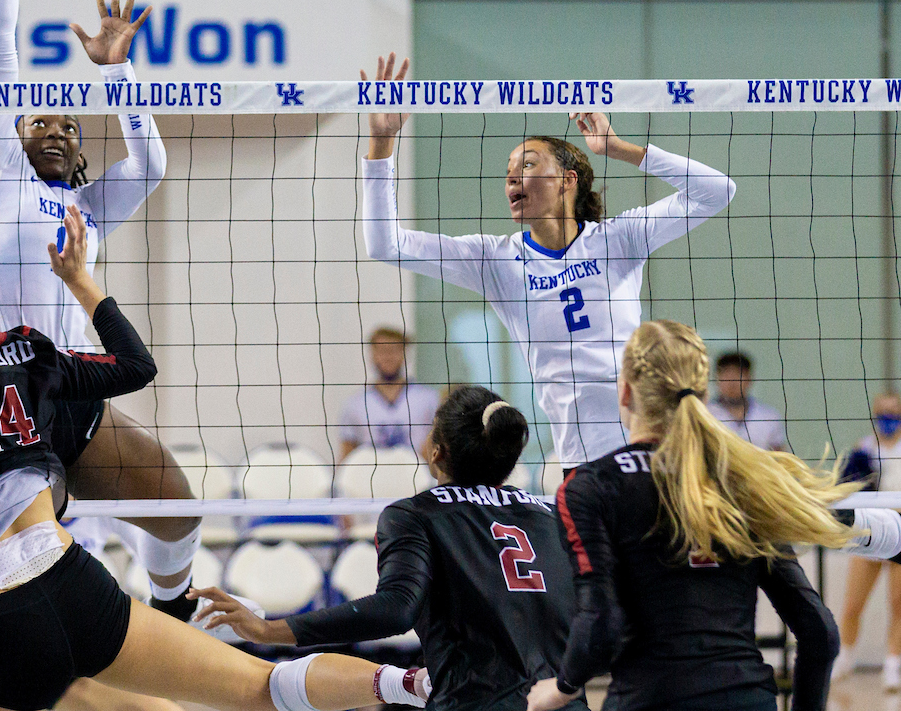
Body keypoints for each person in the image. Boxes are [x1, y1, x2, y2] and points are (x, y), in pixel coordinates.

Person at [0, 166, 429, 711]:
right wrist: (79, 280)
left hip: (0, 619)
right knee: (260, 687)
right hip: (73, 583)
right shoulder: (28, 353)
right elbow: (136, 368)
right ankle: (404, 683)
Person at [0, 0, 203, 622]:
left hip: (76, 389)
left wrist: (119, 71)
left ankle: (172, 620)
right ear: (14, 134)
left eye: (71, 124)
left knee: (178, 512)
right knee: (37, 566)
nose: (60, 129)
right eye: (42, 122)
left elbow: (153, 163)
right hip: (5, 398)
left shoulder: (87, 208)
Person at [360, 54, 736, 471]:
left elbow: (717, 191)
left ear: (567, 181)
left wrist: (618, 148)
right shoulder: (496, 260)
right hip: (581, 462)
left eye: (527, 165)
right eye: (508, 172)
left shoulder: (619, 238)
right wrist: (382, 145)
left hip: (655, 448)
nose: (512, 179)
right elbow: (385, 244)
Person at [192, 385, 587, 711]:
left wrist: (269, 628)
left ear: (436, 452)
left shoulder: (415, 514)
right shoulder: (554, 513)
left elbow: (396, 609)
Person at [528, 320, 854, 711]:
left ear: (626, 391)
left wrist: (561, 687)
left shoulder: (591, 486)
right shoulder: (743, 481)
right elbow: (819, 632)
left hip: (651, 699)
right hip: (748, 699)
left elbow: (601, 623)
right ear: (701, 393)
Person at [831, 389, 901, 689]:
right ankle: (844, 660)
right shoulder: (863, 450)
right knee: (852, 606)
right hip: (870, 531)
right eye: (883, 413)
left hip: (900, 531)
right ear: (875, 415)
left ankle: (892, 666)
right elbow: (846, 489)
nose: (889, 419)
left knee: (898, 605)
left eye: (894, 413)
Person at [337, 327, 441, 462]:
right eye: (382, 351)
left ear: (404, 353)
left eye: (394, 350)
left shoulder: (428, 399)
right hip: (370, 479)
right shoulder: (355, 404)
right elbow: (347, 457)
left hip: (417, 478)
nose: (388, 357)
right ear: (372, 355)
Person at [706, 351, 788, 452]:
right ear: (716, 379)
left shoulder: (769, 416)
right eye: (726, 374)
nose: (732, 382)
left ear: (749, 378)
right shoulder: (704, 414)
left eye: (738, 374)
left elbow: (780, 458)